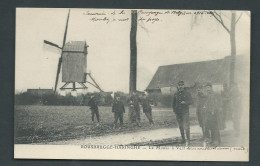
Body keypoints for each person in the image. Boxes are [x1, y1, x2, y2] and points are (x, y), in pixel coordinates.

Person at [173, 81, 193, 145]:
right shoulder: (176, 94)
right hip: (178, 113)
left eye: (182, 85)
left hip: (185, 112)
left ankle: (188, 140)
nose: (180, 86)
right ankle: (183, 139)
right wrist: (174, 110)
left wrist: (185, 102)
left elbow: (191, 101)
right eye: (179, 85)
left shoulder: (187, 93)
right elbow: (173, 103)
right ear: (178, 86)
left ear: (184, 86)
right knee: (180, 126)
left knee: (186, 126)